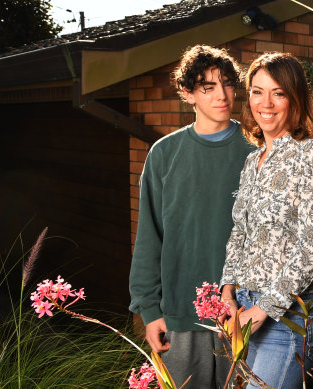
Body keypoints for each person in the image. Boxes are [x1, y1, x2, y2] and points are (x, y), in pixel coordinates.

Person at [128, 45, 253, 388]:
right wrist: (149, 311)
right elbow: (149, 236)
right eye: (208, 87)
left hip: (243, 315)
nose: (223, 95)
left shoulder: (257, 150)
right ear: (188, 94)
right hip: (181, 314)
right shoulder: (164, 154)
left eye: (228, 83)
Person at [219, 52, 313, 389]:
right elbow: (241, 231)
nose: (266, 103)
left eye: (278, 93)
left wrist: (261, 311)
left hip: (289, 317)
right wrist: (228, 291)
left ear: (296, 98)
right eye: (257, 92)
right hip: (244, 307)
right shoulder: (254, 160)